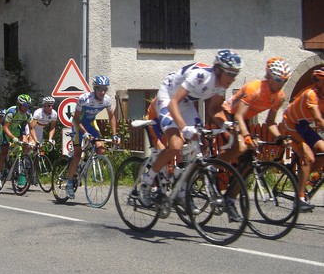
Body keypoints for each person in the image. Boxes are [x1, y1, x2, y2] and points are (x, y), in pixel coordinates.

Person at [140, 50, 242, 218]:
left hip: (186, 103)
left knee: (202, 146)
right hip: (168, 97)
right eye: (230, 74)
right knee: (176, 145)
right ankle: (147, 181)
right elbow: (173, 103)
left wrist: (226, 125)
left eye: (236, 74)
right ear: (218, 69)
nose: (233, 79)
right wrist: (183, 127)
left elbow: (214, 109)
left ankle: (182, 190)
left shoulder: (221, 85)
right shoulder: (200, 76)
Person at [219, 57, 292, 164]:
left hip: (243, 119)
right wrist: (247, 136)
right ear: (269, 77)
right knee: (241, 147)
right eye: (278, 80)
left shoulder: (280, 97)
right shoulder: (255, 89)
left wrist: (280, 137)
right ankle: (212, 166)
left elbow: (270, 122)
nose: (281, 84)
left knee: (249, 159)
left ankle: (236, 180)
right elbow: (238, 116)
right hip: (228, 114)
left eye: (285, 80)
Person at [65, 76, 120, 199]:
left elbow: (112, 117)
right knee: (78, 154)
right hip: (78, 125)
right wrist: (84, 132)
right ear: (95, 88)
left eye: (105, 89)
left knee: (101, 148)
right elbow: (76, 118)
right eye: (100, 89)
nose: (103, 91)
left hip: (90, 124)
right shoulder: (84, 99)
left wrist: (114, 135)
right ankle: (69, 183)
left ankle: (87, 164)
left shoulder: (107, 100)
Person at [278, 67, 324, 212]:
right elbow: (317, 119)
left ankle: (304, 176)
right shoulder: (311, 94)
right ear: (319, 83)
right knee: (308, 157)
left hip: (302, 126)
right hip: (289, 126)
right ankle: (299, 198)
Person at [0, 94, 37, 189]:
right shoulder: (12, 112)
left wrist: (35, 140)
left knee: (26, 145)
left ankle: (20, 164)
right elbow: (5, 127)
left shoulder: (28, 114)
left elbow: (32, 128)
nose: (26, 108)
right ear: (19, 104)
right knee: (4, 152)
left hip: (17, 129)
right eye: (25, 105)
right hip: (6, 130)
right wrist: (13, 138)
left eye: (28, 105)